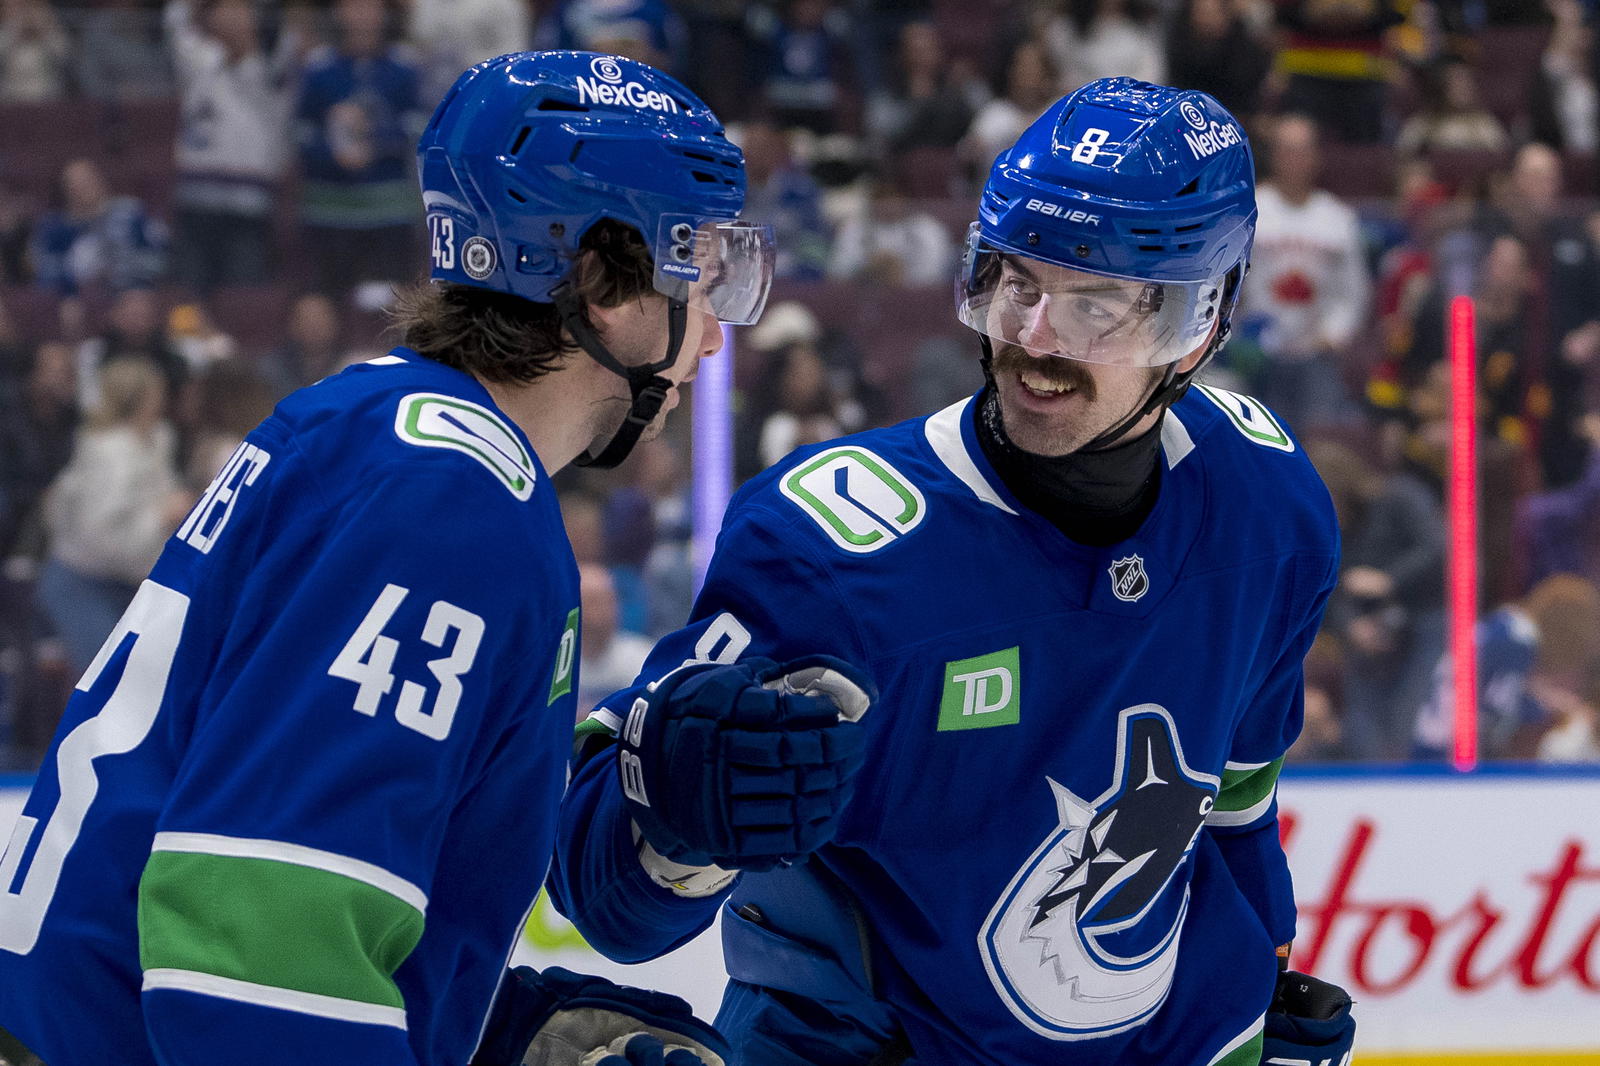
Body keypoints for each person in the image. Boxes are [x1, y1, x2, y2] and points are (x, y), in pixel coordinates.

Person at [0, 51, 867, 1066]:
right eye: (701, 269)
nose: (713, 337)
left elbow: (285, 876)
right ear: (596, 277)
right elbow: (257, 951)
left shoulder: (369, 419)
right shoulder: (454, 503)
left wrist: (496, 1033)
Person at [550, 78, 1355, 1066]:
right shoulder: (834, 550)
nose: (1034, 338)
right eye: (1015, 282)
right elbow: (609, 902)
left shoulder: (1264, 506)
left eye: (1097, 305)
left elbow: (1231, 804)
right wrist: (674, 818)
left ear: (1201, 323)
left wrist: (1258, 984)